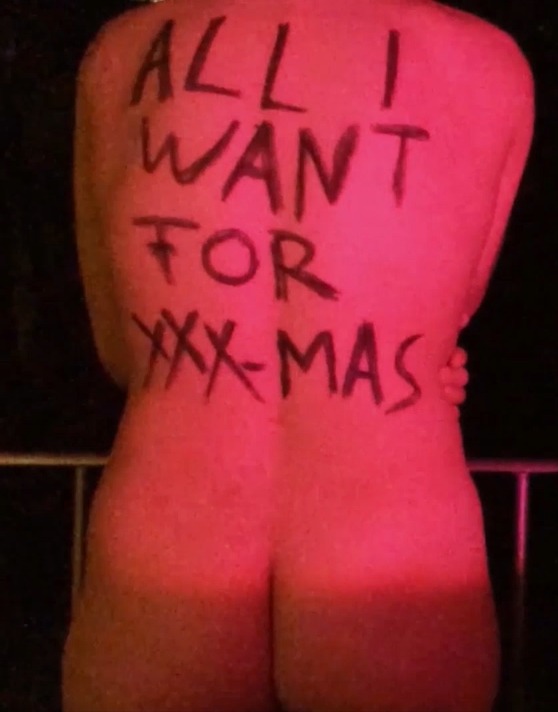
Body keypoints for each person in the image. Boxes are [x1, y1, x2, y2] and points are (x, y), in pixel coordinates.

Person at [65, 0, 532, 708]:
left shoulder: (122, 53)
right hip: (392, 549)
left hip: (169, 547)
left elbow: (122, 353)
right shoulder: (483, 63)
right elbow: (448, 316)